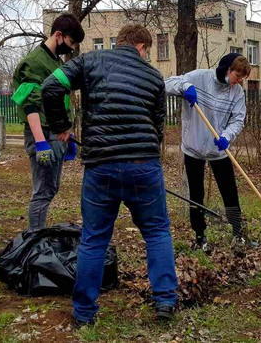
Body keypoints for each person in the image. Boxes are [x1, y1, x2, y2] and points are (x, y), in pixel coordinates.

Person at [42, 24, 178, 326]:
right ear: (141, 46)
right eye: (148, 51)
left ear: (119, 43)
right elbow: (158, 127)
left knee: (94, 239)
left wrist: (61, 127)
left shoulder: (89, 62)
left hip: (101, 166)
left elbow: (51, 86)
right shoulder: (155, 77)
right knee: (157, 232)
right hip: (144, 166)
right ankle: (165, 302)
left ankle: (84, 314)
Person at [164, 53, 251, 254]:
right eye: (237, 76)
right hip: (193, 148)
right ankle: (200, 236)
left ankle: (238, 233)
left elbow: (238, 119)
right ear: (227, 70)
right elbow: (168, 83)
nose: (239, 82)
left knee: (230, 192)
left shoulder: (236, 92)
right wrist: (185, 87)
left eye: (241, 79)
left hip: (218, 150)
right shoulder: (199, 77)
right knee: (196, 194)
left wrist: (227, 136)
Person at [12, 13, 85, 230]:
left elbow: (57, 101)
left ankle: (38, 236)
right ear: (58, 35)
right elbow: (30, 104)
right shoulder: (34, 63)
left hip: (55, 134)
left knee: (51, 188)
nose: (71, 48)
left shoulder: (54, 62)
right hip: (42, 133)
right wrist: (40, 141)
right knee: (42, 191)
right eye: (71, 42)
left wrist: (66, 132)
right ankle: (34, 241)